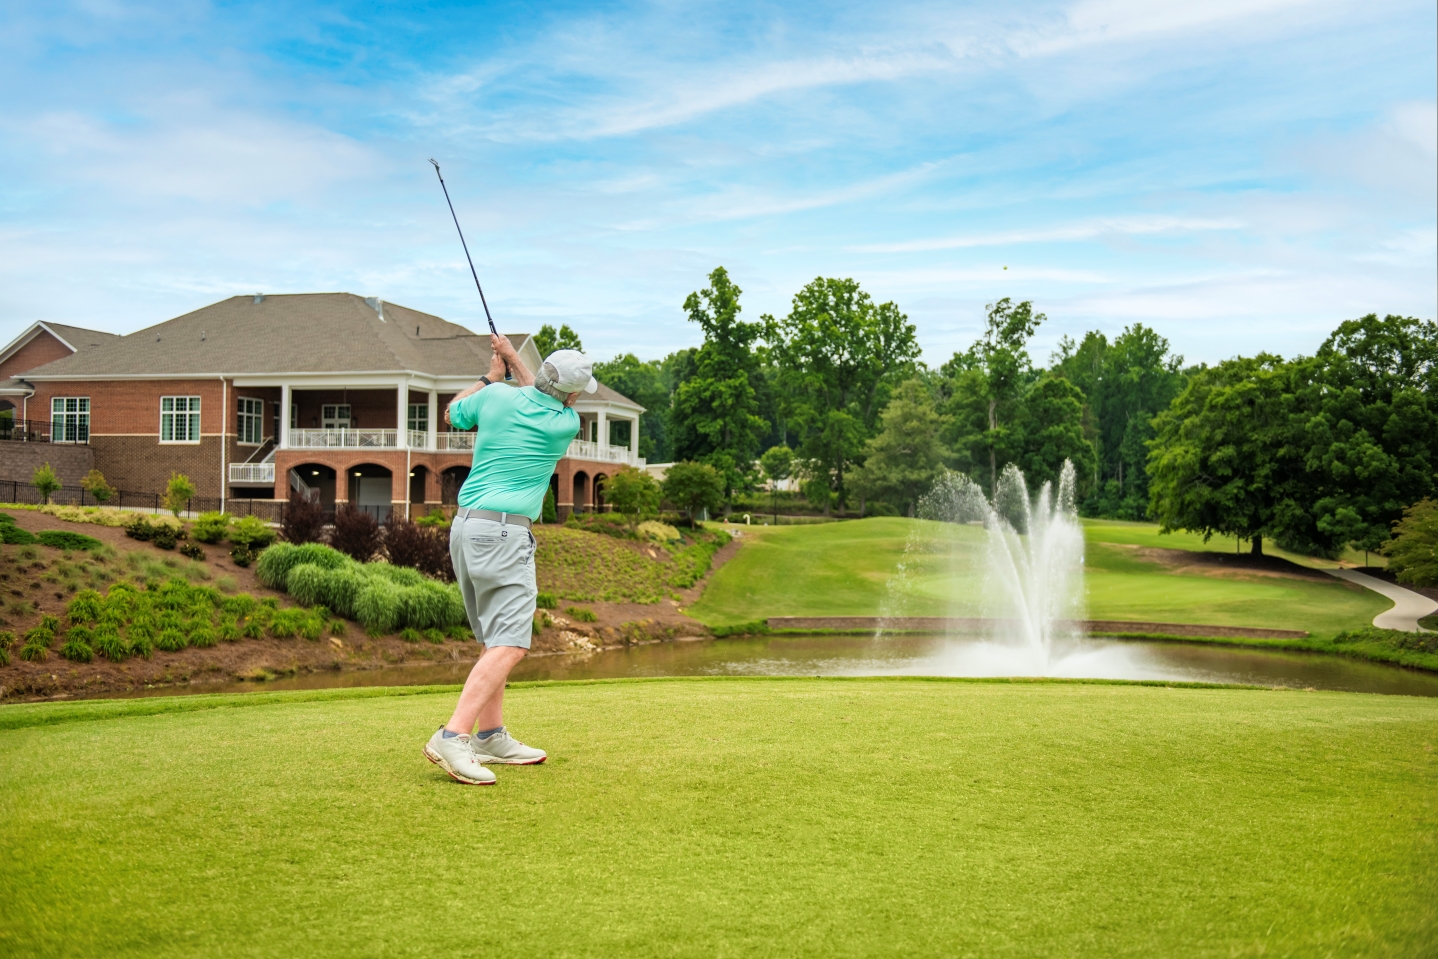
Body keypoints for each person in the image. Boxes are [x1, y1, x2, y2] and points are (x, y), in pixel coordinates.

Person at [422, 333, 597, 785]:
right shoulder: (566, 423)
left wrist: (491, 374)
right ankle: (452, 735)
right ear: (573, 394)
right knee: (512, 643)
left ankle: (490, 735)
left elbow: (452, 412)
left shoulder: (496, 397)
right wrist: (514, 360)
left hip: (465, 528)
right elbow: (545, 395)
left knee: (495, 638)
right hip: (504, 534)